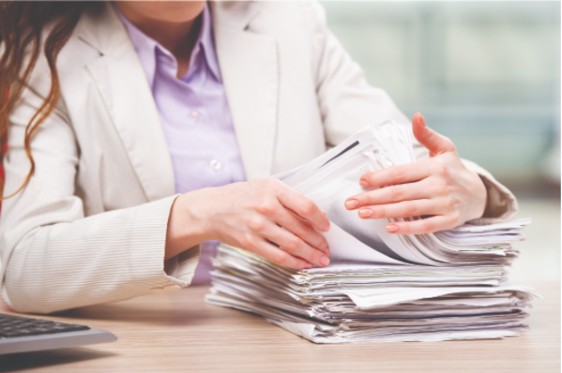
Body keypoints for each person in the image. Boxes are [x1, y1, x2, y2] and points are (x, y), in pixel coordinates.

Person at [0, 1, 516, 313]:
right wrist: (196, 214)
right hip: (149, 349)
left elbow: (405, 158)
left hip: (298, 335)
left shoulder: (287, 20)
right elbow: (24, 269)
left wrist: (469, 189)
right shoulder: (45, 57)